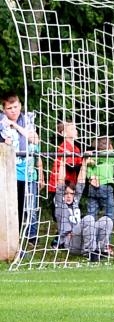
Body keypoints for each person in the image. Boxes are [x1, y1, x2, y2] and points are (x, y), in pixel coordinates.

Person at [0, 92, 43, 245]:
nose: (13, 110)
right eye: (9, 107)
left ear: (20, 106)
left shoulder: (28, 120)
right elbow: (7, 142)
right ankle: (14, 237)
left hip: (30, 171)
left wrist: (16, 126)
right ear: (3, 109)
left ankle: (32, 237)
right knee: (13, 206)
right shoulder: (1, 122)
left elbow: (35, 140)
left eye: (16, 106)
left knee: (31, 206)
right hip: (11, 172)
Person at [53, 156, 114, 261]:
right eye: (66, 193)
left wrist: (84, 161)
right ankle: (90, 252)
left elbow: (81, 182)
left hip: (83, 237)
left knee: (107, 220)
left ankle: (101, 250)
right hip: (71, 242)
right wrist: (62, 161)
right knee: (89, 218)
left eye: (71, 194)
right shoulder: (60, 205)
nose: (68, 196)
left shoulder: (75, 201)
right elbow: (60, 181)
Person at [86, 136, 114, 254]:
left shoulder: (93, 158)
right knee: (109, 215)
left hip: (93, 187)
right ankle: (105, 245)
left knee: (91, 215)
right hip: (105, 186)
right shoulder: (110, 157)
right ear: (109, 146)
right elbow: (112, 154)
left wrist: (91, 177)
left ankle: (91, 245)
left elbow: (90, 169)